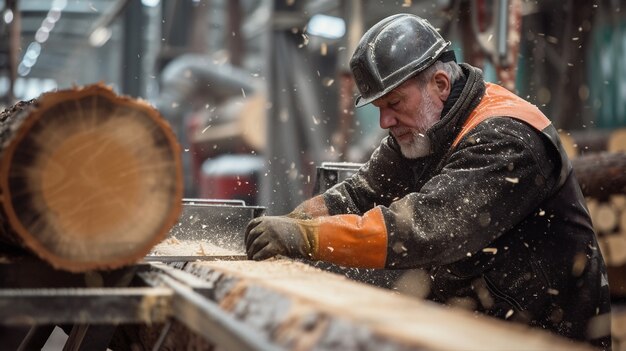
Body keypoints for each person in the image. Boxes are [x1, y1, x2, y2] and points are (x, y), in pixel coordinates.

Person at [245, 13, 611, 348]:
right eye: (379, 109)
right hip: (479, 323)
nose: (386, 122)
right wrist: (298, 218)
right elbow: (362, 192)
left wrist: (306, 238)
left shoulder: (506, 137)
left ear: (439, 83)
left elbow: (424, 227)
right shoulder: (426, 128)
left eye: (394, 104)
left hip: (546, 335)